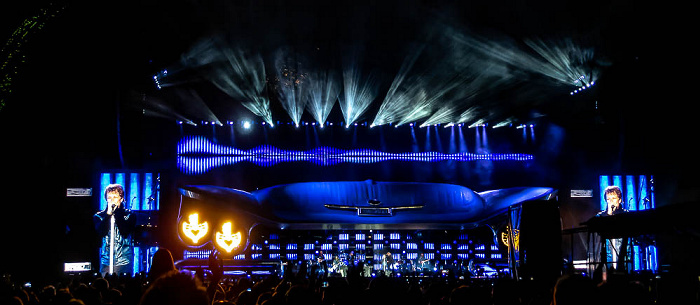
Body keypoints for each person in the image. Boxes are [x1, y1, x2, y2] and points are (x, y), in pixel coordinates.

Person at [94, 183, 137, 276]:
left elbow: (125, 231)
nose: (112, 200)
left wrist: (117, 213)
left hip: (124, 261)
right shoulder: (99, 216)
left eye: (115, 197)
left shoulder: (129, 215)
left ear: (121, 199)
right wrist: (108, 214)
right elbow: (101, 232)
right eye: (109, 197)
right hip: (106, 262)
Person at [595, 186, 630, 274]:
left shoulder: (626, 214)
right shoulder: (601, 216)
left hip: (624, 253)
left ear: (620, 199)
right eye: (608, 199)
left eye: (614, 198)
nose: (611, 201)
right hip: (607, 254)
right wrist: (609, 213)